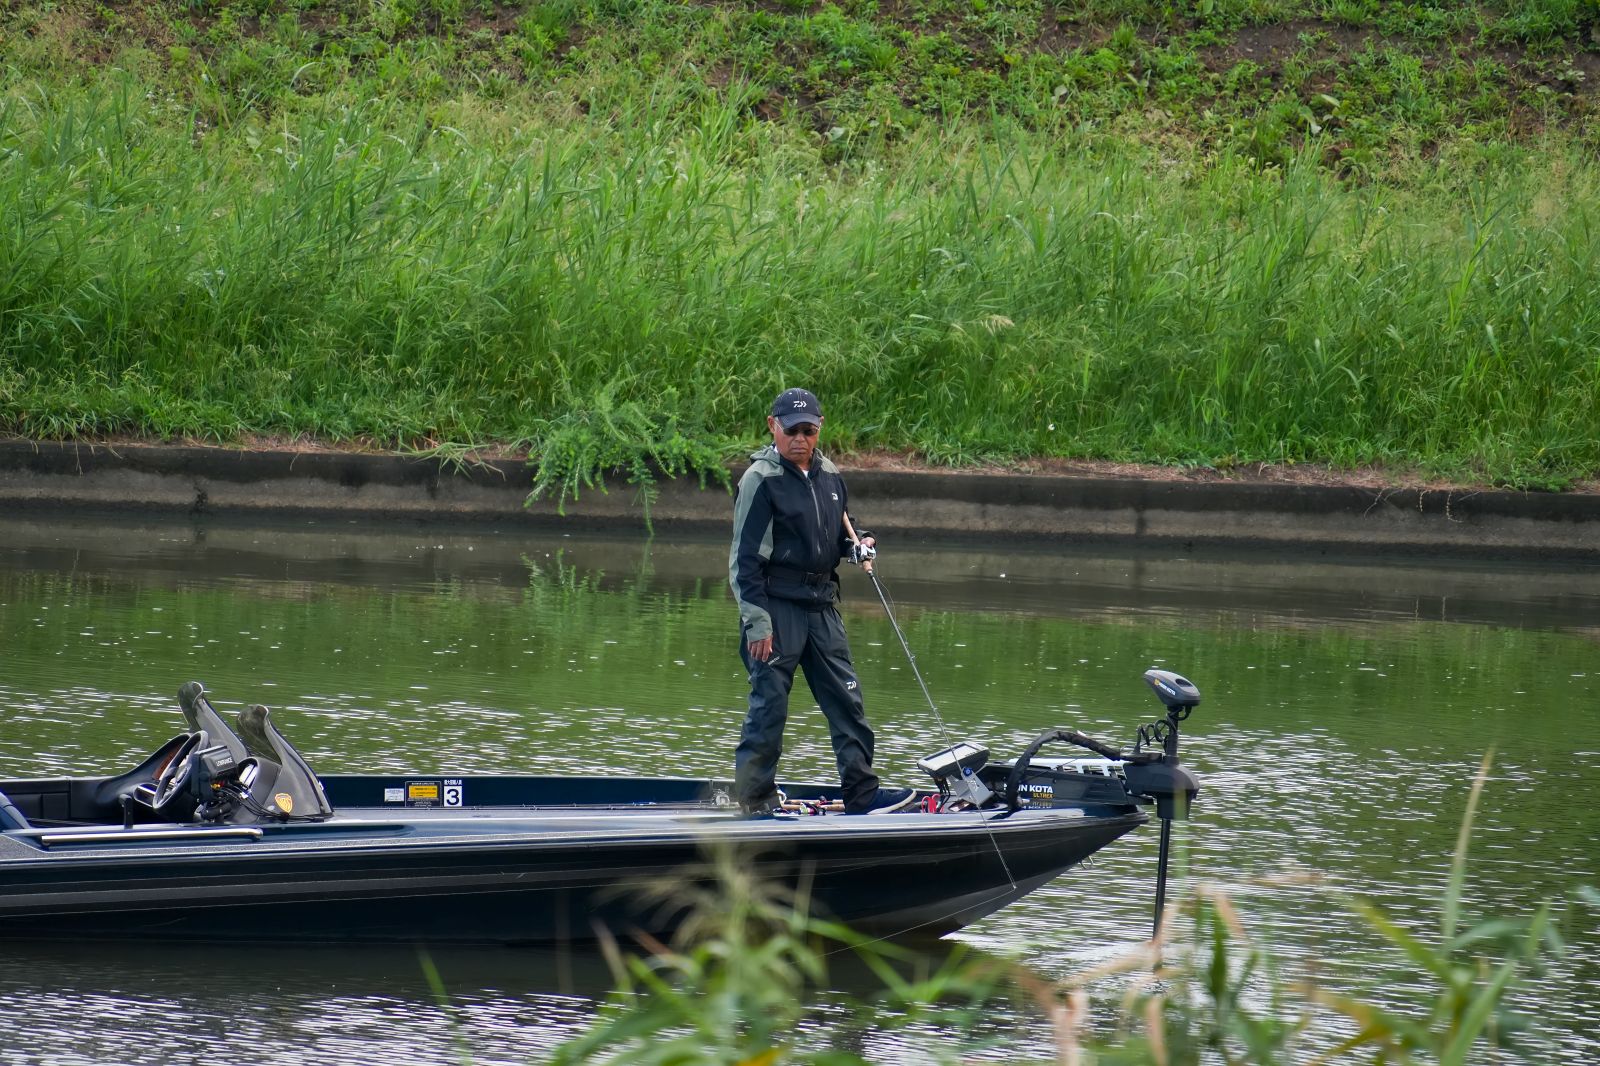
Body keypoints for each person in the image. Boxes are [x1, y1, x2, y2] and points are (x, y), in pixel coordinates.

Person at [728, 387, 915, 818]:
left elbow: (842, 530)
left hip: (822, 607)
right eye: (791, 430)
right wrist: (757, 622)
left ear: (820, 429)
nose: (800, 439)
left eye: (808, 431)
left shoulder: (830, 475)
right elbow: (744, 560)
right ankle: (754, 801)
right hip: (776, 609)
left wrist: (859, 544)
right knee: (769, 706)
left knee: (847, 701)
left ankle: (862, 795)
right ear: (773, 426)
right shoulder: (760, 479)